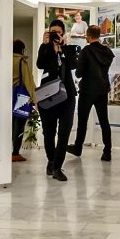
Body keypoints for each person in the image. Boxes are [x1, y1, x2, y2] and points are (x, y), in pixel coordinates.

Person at [36, 19, 79, 181]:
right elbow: (40, 65)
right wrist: (46, 45)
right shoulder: (45, 47)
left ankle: (57, 167)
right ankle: (51, 161)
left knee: (64, 134)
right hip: (48, 95)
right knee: (48, 132)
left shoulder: (68, 49)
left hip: (67, 96)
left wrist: (64, 47)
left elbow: (74, 65)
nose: (55, 34)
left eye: (58, 32)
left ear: (63, 33)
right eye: (52, 31)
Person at [68, 25, 114, 162]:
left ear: (88, 36)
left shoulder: (86, 51)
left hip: (87, 90)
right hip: (102, 90)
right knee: (104, 121)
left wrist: (77, 64)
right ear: (99, 35)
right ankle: (107, 151)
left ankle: (77, 148)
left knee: (82, 121)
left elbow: (79, 73)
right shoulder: (107, 51)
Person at [11, 39, 36, 162]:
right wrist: (35, 98)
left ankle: (9, 151)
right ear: (22, 49)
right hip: (21, 97)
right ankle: (15, 153)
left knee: (11, 124)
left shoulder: (7, 60)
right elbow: (28, 81)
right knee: (19, 125)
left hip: (10, 95)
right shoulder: (22, 61)